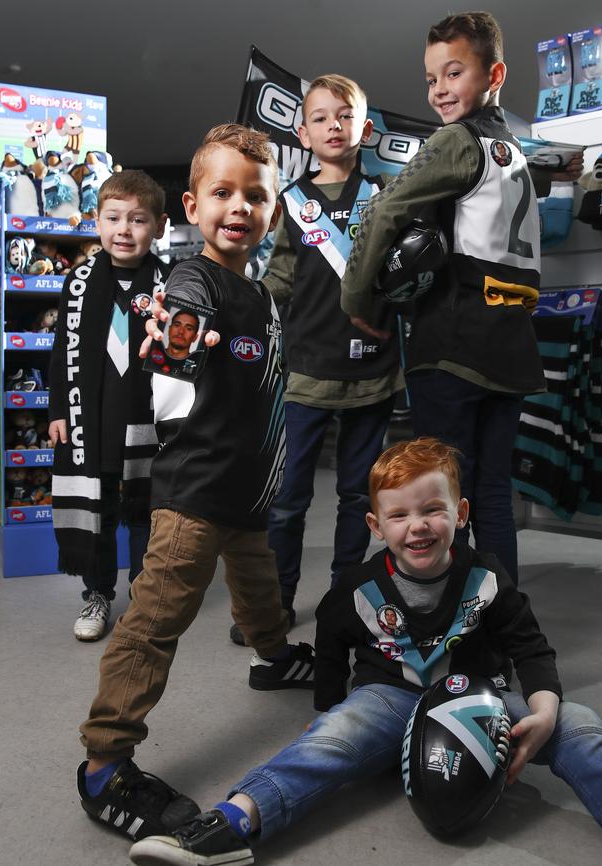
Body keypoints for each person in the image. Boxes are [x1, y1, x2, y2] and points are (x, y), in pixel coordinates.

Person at [128, 437, 602, 865]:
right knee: (328, 742)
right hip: (389, 696)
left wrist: (544, 711)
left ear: (461, 513)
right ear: (375, 525)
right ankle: (234, 822)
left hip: (480, 701)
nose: (418, 526)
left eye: (433, 509)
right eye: (399, 515)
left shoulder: (488, 577)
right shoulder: (356, 588)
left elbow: (531, 647)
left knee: (579, 722)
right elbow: (330, 643)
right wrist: (328, 706)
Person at [75, 124, 316, 843]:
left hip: (247, 493)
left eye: (255, 196)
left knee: (260, 588)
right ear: (191, 206)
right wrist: (172, 345)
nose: (238, 207)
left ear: (272, 211)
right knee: (155, 620)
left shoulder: (262, 297)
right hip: (194, 494)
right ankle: (103, 762)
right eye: (222, 193)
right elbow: (176, 347)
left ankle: (272, 657)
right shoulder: (194, 280)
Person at [339, 12, 582, 584]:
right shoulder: (514, 152)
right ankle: (501, 622)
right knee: (490, 494)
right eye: (431, 79)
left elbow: (383, 208)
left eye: (454, 73)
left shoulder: (458, 140)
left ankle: (452, 625)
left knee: (441, 501)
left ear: (493, 73)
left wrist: (359, 299)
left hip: (452, 345)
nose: (440, 90)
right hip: (511, 343)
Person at [243, 73, 402, 642]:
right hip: (305, 374)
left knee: (359, 497)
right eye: (320, 117)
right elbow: (278, 282)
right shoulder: (290, 202)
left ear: (364, 127)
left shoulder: (386, 197)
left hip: (372, 376)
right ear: (302, 131)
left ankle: (344, 599)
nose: (333, 125)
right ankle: (277, 602)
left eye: (345, 115)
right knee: (288, 499)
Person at [48, 169, 169, 640]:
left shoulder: (171, 281)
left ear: (158, 225)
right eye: (113, 218)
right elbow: (61, 351)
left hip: (147, 422)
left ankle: (142, 597)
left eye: (137, 220)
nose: (124, 230)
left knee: (145, 512)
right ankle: (97, 593)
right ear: (96, 222)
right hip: (91, 419)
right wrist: (59, 410)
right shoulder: (78, 282)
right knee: (97, 513)